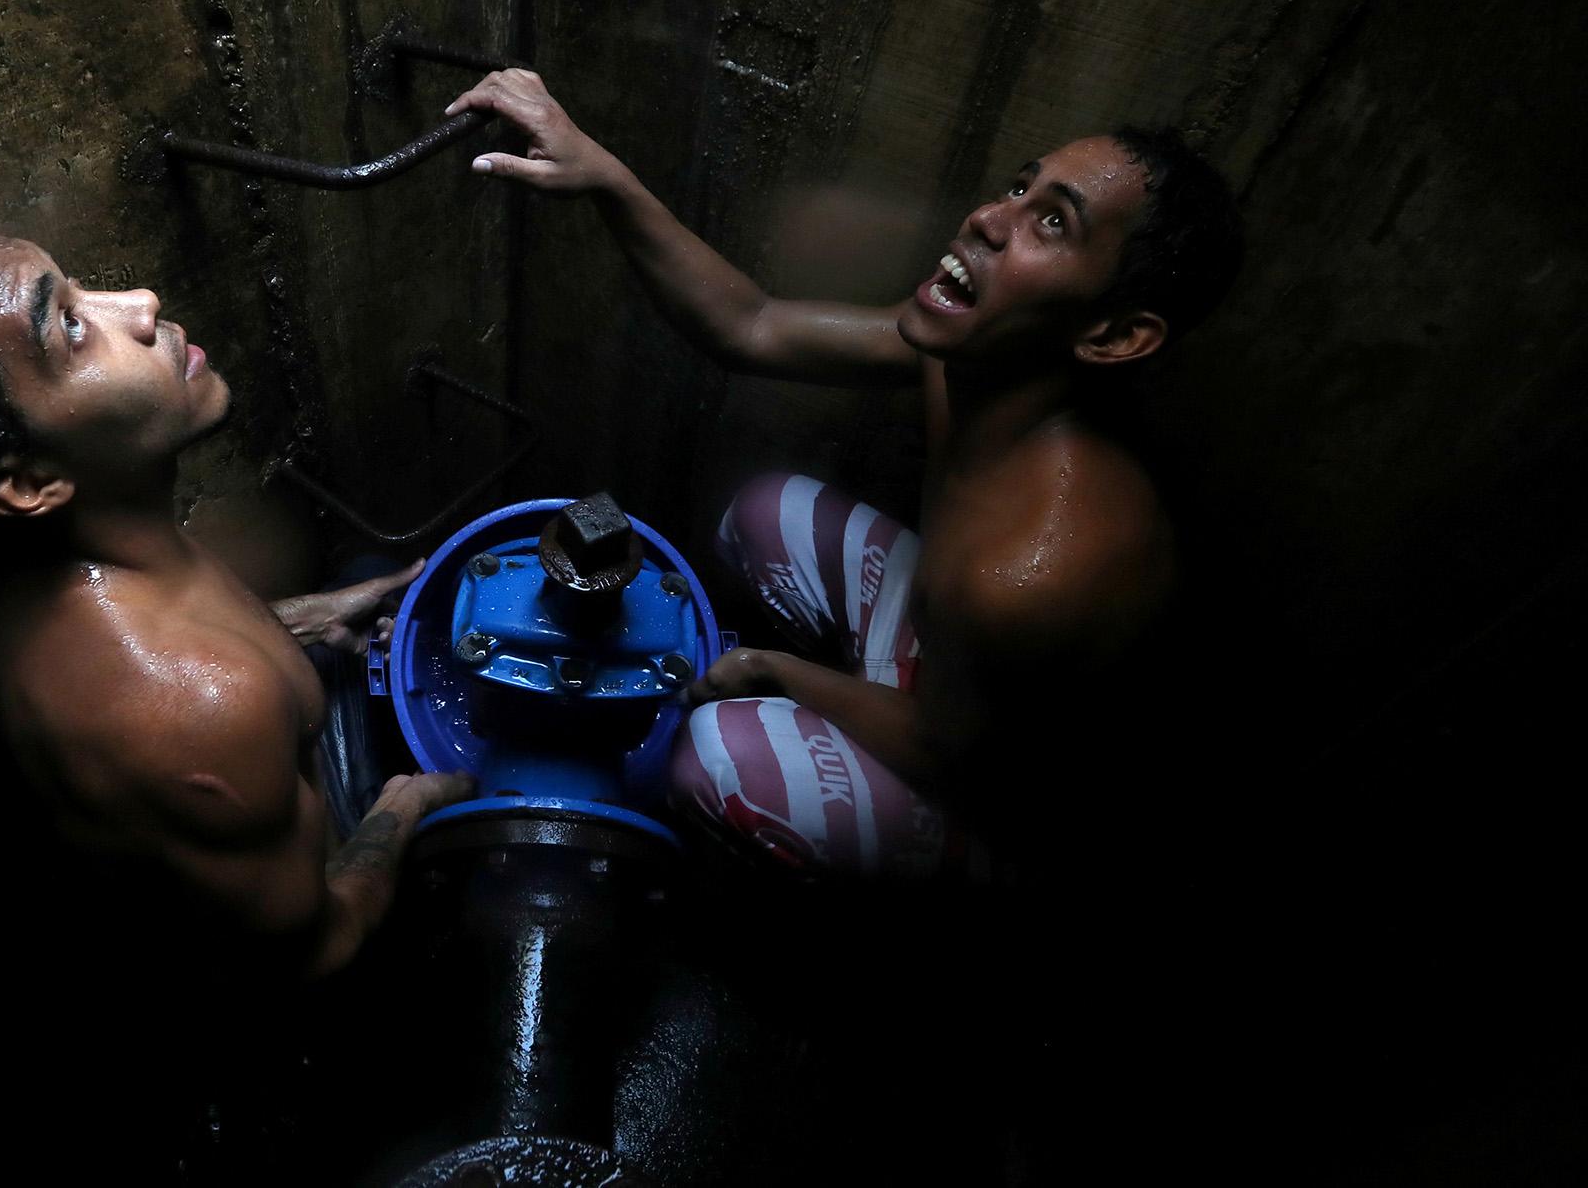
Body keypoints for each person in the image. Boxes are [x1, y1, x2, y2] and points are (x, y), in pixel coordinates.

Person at [447, 70, 1242, 876]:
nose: (989, 218)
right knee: (761, 511)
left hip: (1009, 798)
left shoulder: (1030, 572)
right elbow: (750, 323)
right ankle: (846, 711)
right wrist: (601, 173)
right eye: (1017, 185)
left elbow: (956, 754)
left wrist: (777, 672)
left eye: (1051, 223)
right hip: (954, 675)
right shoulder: (969, 358)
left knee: (713, 757)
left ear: (1112, 335)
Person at [0, 198, 471, 975]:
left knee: (370, 582)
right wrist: (405, 806)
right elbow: (317, 948)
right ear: (29, 479)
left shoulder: (35, 559)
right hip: (297, 952)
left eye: (79, 287)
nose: (142, 304)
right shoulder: (201, 708)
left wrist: (304, 615)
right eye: (69, 326)